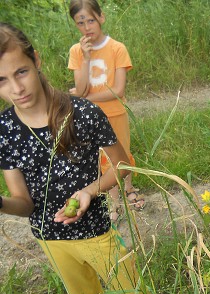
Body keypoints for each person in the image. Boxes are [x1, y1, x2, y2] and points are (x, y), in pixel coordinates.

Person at [0, 22, 162, 294]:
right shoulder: (4, 131)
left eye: (21, 72)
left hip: (98, 232)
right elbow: (24, 203)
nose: (16, 88)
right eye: (2, 80)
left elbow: (121, 164)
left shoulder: (82, 112)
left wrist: (89, 191)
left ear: (37, 61)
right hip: (50, 238)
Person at [67, 0, 144, 223]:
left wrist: (83, 97)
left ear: (101, 17)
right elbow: (80, 88)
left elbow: (118, 90)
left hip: (115, 113)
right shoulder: (77, 51)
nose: (87, 27)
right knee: (103, 160)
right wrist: (86, 57)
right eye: (80, 22)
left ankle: (128, 187)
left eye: (91, 20)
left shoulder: (117, 48)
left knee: (122, 155)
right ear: (75, 24)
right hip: (90, 117)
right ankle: (114, 201)